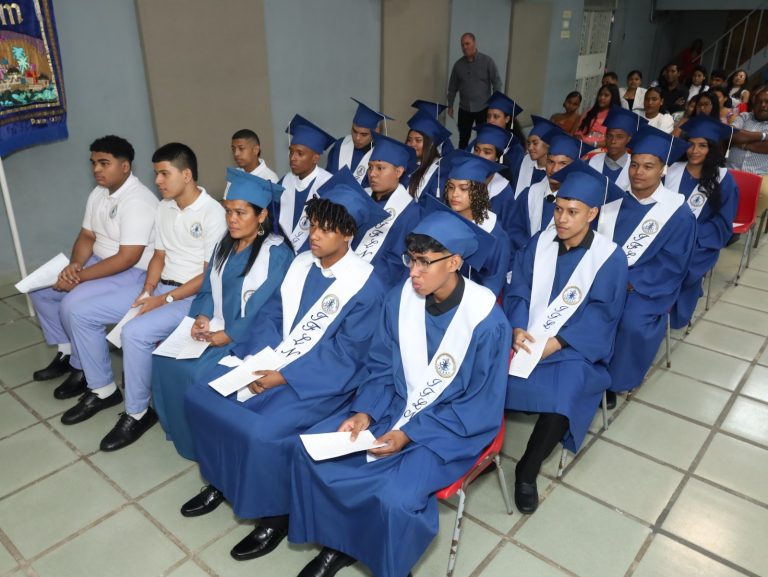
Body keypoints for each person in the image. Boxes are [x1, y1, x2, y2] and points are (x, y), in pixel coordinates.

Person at [287, 210, 511, 577]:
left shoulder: (487, 322)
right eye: (411, 260)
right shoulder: (399, 300)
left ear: (454, 262)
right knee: (314, 454)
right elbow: (380, 365)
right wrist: (366, 412)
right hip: (394, 403)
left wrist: (409, 433)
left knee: (394, 497)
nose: (413, 272)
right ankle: (340, 543)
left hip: (450, 427)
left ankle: (390, 565)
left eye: (424, 262)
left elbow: (479, 402)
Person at [181, 180, 387, 562]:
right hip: (274, 359)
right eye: (313, 226)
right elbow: (272, 316)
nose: (315, 236)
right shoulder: (301, 263)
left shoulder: (366, 286)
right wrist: (259, 360)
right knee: (202, 396)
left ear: (347, 234)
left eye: (326, 229)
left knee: (262, 431)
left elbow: (347, 355)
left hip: (320, 382)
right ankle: (221, 481)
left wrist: (283, 376)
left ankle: (274, 518)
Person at [59, 143, 227, 448]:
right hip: (160, 288)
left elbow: (207, 276)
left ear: (186, 175)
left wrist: (163, 300)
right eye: (156, 174)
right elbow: (159, 256)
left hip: (193, 297)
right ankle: (103, 390)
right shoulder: (165, 206)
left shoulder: (212, 213)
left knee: (135, 332)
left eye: (164, 174)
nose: (157, 181)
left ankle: (137, 413)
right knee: (81, 313)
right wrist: (148, 290)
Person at [505, 165, 628, 513]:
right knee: (482, 375)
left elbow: (602, 314)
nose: (561, 219)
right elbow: (519, 289)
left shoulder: (609, 258)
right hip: (528, 336)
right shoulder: (539, 244)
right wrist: (516, 327)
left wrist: (557, 342)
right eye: (558, 209)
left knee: (564, 395)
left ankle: (527, 470)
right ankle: (478, 449)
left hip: (575, 346)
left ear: (592, 214)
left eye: (572, 212)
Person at [152, 170, 291, 460]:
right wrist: (202, 317)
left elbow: (265, 308)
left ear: (262, 215)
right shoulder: (224, 245)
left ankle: (205, 450)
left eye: (240, 213)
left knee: (194, 375)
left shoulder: (275, 254)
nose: (232, 220)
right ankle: (182, 436)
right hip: (216, 327)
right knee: (164, 360)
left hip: (249, 337)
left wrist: (228, 335)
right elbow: (206, 290)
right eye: (228, 211)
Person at [29, 135, 158, 401]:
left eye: (104, 163)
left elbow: (127, 258)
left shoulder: (138, 201)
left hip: (132, 272)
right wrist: (75, 265)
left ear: (125, 166)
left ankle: (86, 371)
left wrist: (79, 278)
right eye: (93, 163)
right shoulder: (99, 193)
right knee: (41, 291)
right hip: (99, 262)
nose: (96, 169)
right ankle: (67, 353)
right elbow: (87, 235)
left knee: (72, 304)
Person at [599, 126, 696, 407]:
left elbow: (672, 264)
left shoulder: (678, 213)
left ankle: (613, 381)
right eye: (635, 165)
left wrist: (628, 281)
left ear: (663, 170)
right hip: (603, 277)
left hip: (645, 287)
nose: (638, 172)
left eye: (648, 166)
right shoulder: (613, 200)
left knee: (629, 322)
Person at [665, 116, 738, 328]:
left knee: (679, 266)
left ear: (711, 149)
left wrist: (690, 235)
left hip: (700, 243)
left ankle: (673, 312)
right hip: (664, 237)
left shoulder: (723, 179)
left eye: (702, 145)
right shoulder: (671, 170)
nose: (694, 150)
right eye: (690, 144)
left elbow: (722, 223)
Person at [432, 151, 510, 296]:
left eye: (463, 188)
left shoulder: (496, 236)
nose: (454, 194)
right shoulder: (442, 223)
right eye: (451, 187)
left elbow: (492, 287)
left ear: (479, 191)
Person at [353, 136, 420, 289]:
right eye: (370, 167)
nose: (372, 174)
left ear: (398, 171)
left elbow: (397, 261)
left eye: (380, 168)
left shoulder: (411, 211)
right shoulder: (359, 197)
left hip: (377, 285)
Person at [509, 132, 594, 252]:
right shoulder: (529, 194)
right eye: (550, 162)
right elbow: (513, 229)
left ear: (575, 167)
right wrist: (532, 250)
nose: (554, 169)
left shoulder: (582, 204)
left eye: (563, 163)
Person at [278, 115, 335, 254]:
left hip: (315, 254)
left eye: (300, 153)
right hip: (284, 252)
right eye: (291, 152)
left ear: (315, 158)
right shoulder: (285, 181)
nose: (293, 158)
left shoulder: (329, 185)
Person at [447, 32, 503, 149]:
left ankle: (481, 157)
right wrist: (450, 105)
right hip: (464, 109)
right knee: (463, 138)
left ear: (474, 43)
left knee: (483, 138)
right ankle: (462, 158)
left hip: (483, 108)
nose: (464, 47)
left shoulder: (487, 61)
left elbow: (497, 83)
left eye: (467, 44)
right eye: (462, 45)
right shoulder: (458, 65)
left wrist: (495, 104)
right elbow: (452, 87)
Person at [326, 98, 391, 183]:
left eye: (364, 134)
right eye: (354, 131)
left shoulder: (383, 155)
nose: (357, 138)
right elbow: (327, 177)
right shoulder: (340, 145)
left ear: (376, 132)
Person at [471, 122, 518, 236]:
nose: (480, 155)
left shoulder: (503, 190)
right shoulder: (464, 179)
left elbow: (507, 231)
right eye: (477, 150)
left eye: (487, 152)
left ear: (497, 157)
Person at [589, 106, 648, 190]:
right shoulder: (593, 160)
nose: (613, 141)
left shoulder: (636, 167)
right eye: (610, 136)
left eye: (620, 137)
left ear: (629, 139)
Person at [406, 110, 452, 199]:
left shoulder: (439, 172)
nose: (412, 144)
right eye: (409, 140)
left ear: (430, 144)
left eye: (418, 140)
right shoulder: (405, 165)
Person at [512, 115, 558, 199]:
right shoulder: (523, 162)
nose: (530, 148)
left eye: (535, 143)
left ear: (548, 144)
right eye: (528, 143)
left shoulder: (555, 169)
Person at [728, 86, 768, 174]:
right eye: (758, 102)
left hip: (760, 176)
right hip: (730, 171)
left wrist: (742, 143)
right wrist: (763, 136)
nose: (763, 105)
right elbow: (731, 133)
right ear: (753, 105)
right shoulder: (744, 116)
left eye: (767, 102)